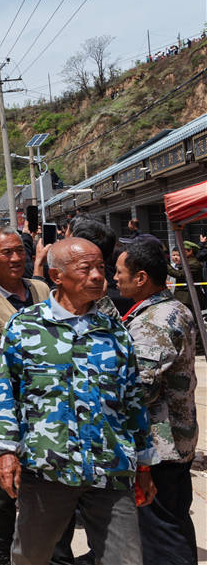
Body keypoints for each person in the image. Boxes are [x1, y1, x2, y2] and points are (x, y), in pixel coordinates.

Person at [0, 238, 155, 565]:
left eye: (101, 268)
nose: (98, 276)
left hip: (110, 467)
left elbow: (134, 400)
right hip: (47, 468)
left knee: (126, 560)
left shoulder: (115, 331)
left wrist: (145, 463)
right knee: (31, 557)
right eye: (86, 269)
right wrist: (6, 451)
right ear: (57, 275)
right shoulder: (25, 327)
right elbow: (4, 392)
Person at [0, 226, 65, 565]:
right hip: (2, 413)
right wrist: (3, 411)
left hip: (49, 411)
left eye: (21, 250)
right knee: (1, 489)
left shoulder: (42, 290)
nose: (18, 258)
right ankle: (1, 556)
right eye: (8, 253)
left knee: (51, 485)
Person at [116, 239, 199, 565]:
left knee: (161, 533)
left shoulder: (156, 321)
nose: (114, 279)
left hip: (158, 445)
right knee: (173, 525)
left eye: (120, 272)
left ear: (141, 278)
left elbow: (140, 385)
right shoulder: (166, 309)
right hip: (172, 440)